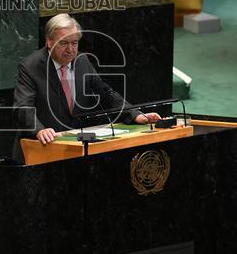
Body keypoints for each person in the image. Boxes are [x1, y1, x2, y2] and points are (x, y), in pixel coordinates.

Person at [12, 14, 160, 162]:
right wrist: (39, 129)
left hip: (75, 150)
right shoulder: (30, 66)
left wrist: (135, 114)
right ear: (49, 41)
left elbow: (106, 94)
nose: (70, 50)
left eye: (74, 43)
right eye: (64, 43)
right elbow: (23, 107)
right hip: (39, 151)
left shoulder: (82, 61)